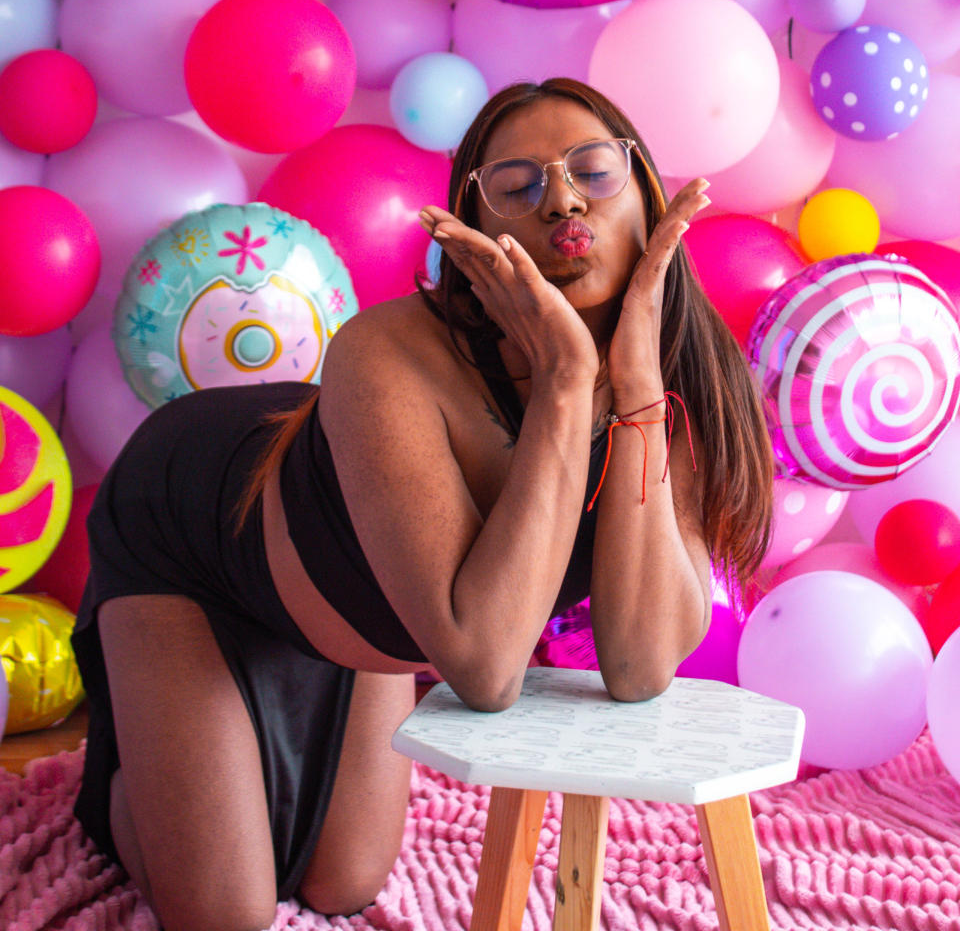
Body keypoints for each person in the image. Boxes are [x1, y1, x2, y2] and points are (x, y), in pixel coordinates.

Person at [72, 76, 774, 931]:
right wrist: (564, 379)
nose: (562, 202)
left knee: (345, 885)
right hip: (188, 524)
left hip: (368, 593)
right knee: (227, 915)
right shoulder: (386, 355)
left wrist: (633, 390)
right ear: (478, 241)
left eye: (593, 171)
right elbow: (484, 667)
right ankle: (125, 773)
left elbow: (639, 665)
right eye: (517, 187)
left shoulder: (683, 380)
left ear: (649, 199)